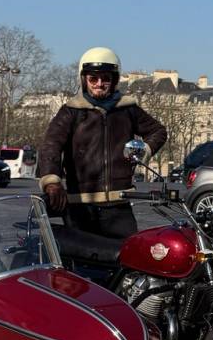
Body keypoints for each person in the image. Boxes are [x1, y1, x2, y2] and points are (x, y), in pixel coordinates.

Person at [37, 47, 167, 241]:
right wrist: (52, 182)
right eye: (93, 79)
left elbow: (158, 131)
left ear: (114, 80)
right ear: (84, 80)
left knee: (127, 258)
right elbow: (51, 145)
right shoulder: (71, 111)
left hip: (119, 203)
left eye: (105, 78)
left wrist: (143, 151)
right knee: (82, 261)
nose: (99, 84)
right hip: (81, 203)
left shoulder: (127, 108)